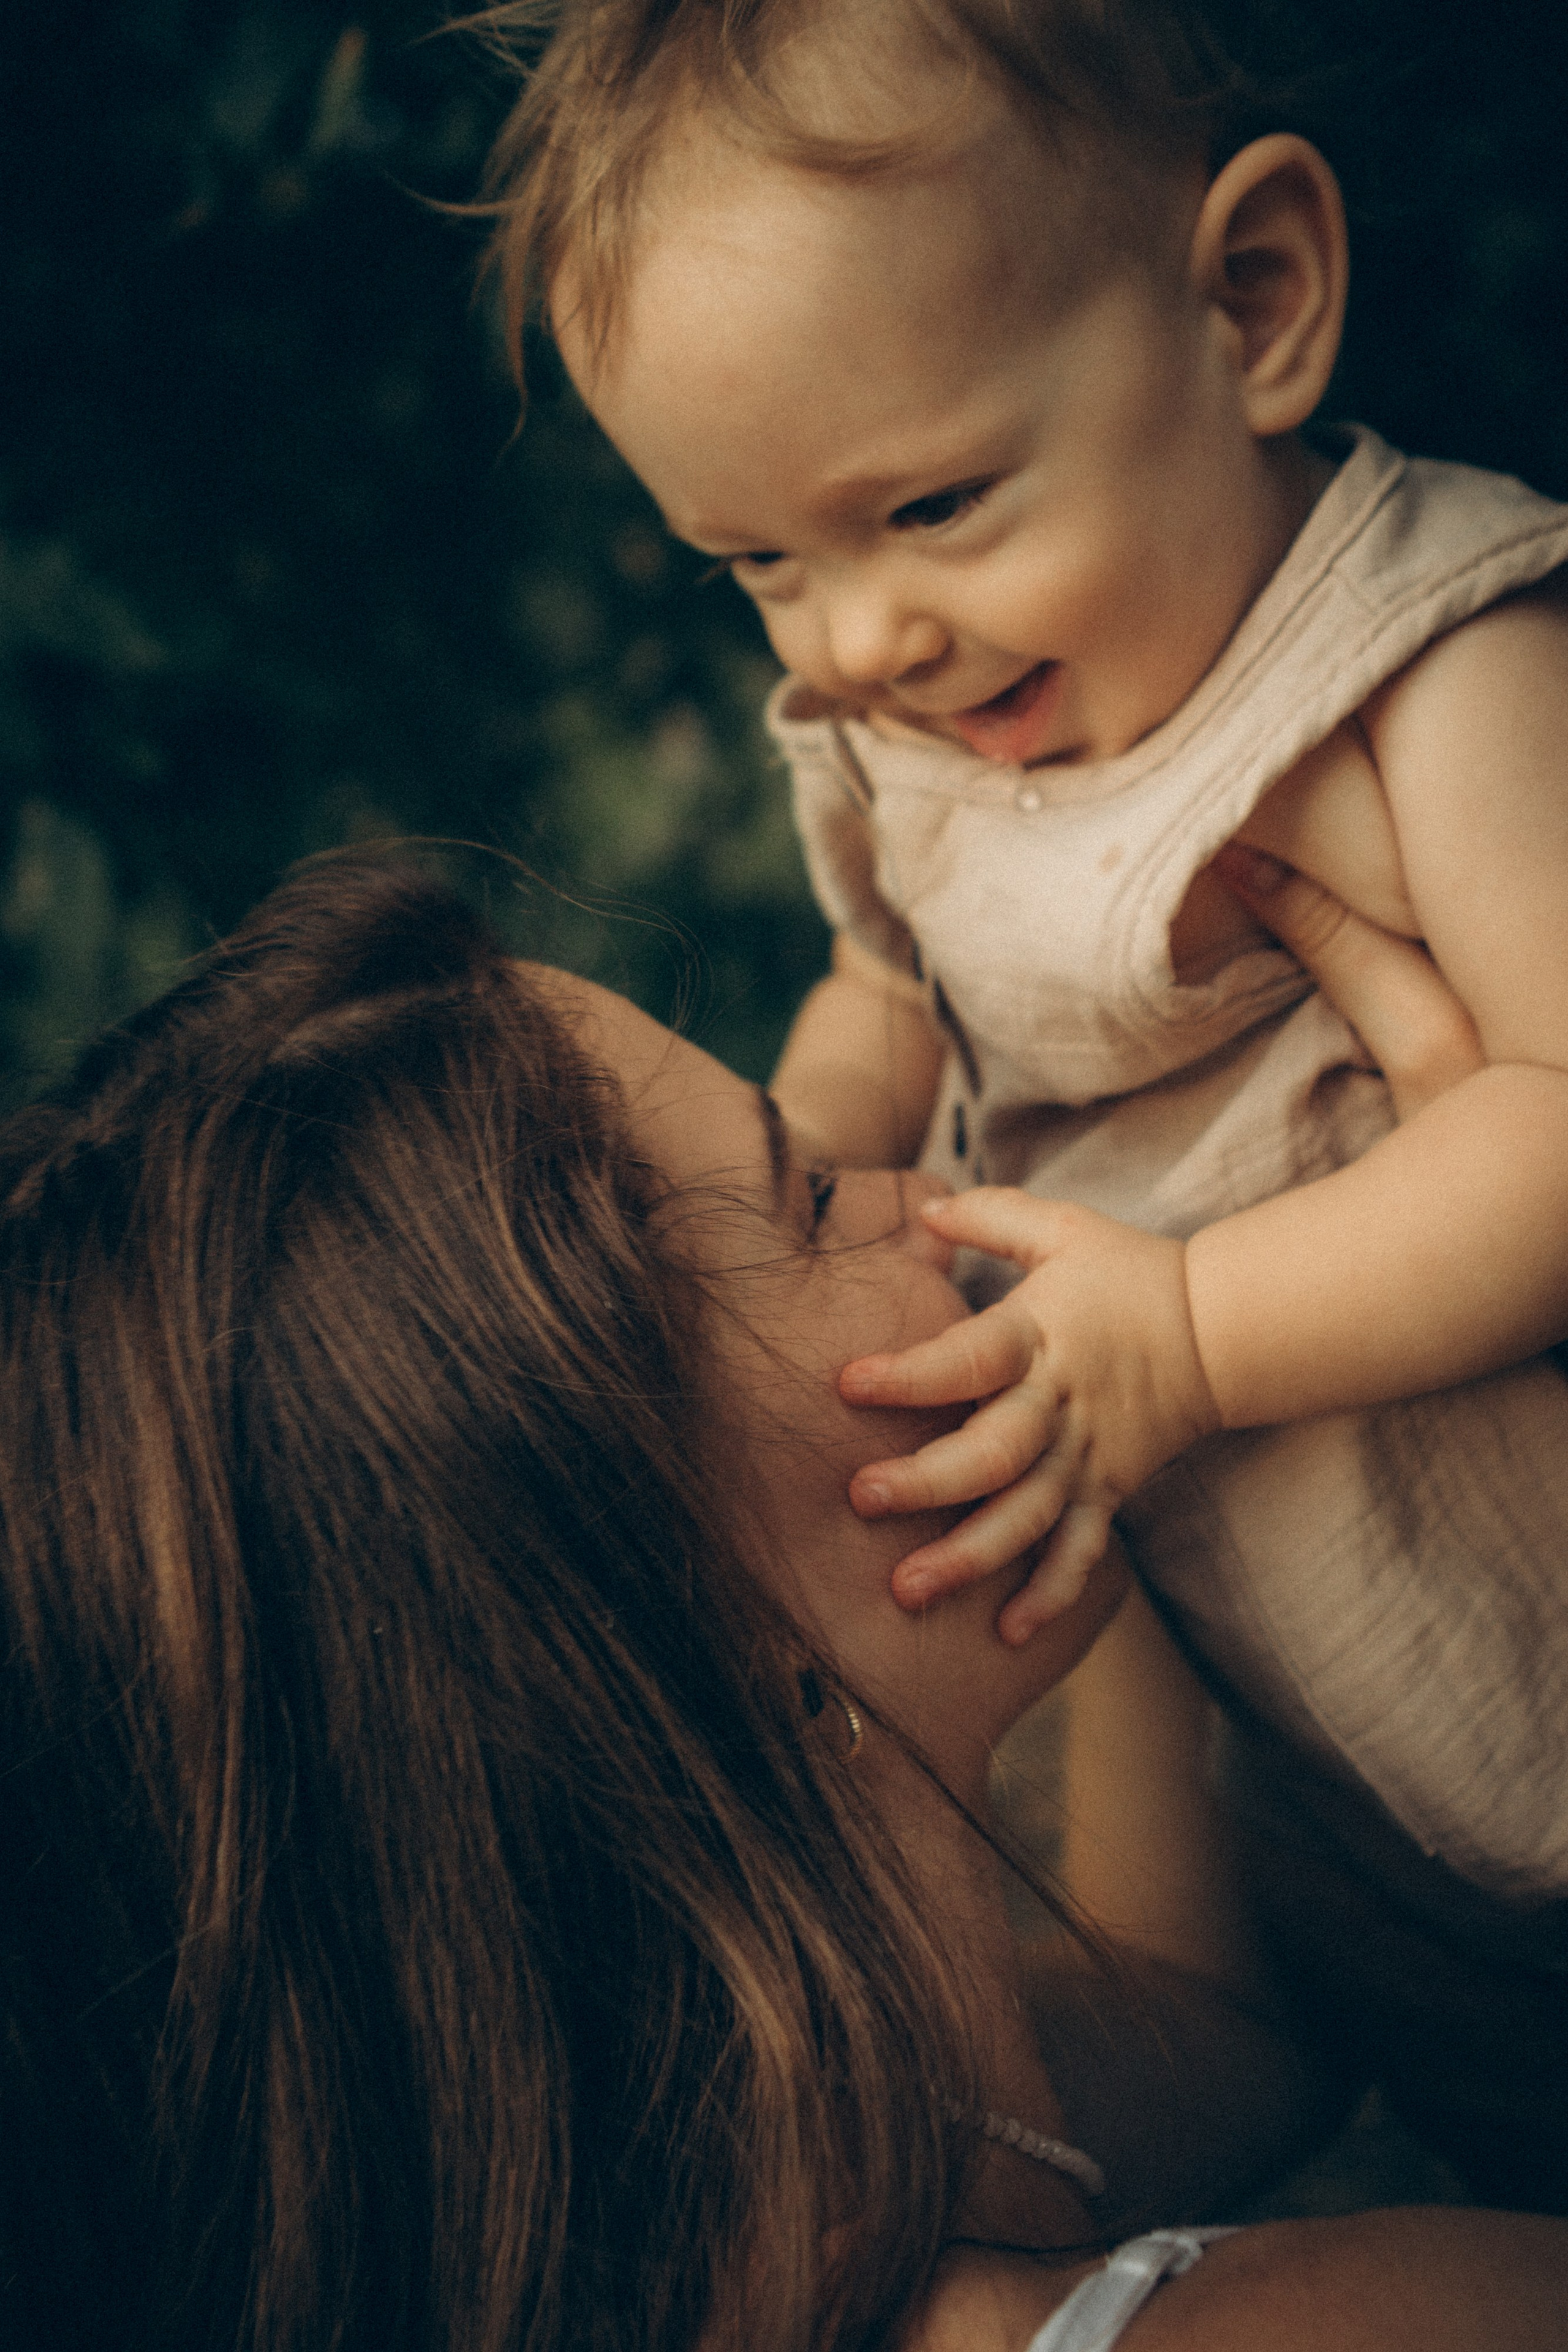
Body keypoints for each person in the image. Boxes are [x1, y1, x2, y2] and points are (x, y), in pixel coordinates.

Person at [2, 851, 1565, 2352]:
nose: (934, 1188)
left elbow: (1220, 2027)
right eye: (813, 1194)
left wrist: (1192, 1391)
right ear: (682, 1633)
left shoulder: (761, 2194)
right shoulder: (1416, 2319)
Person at [474, 0, 1568, 1988]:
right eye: (757, 563)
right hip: (1311, 1745)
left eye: (932, 508)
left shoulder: (1429, 679)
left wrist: (1197, 1336)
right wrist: (783, 1174)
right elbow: (890, 995)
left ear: (1253, 305)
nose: (860, 638)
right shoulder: (914, 736)